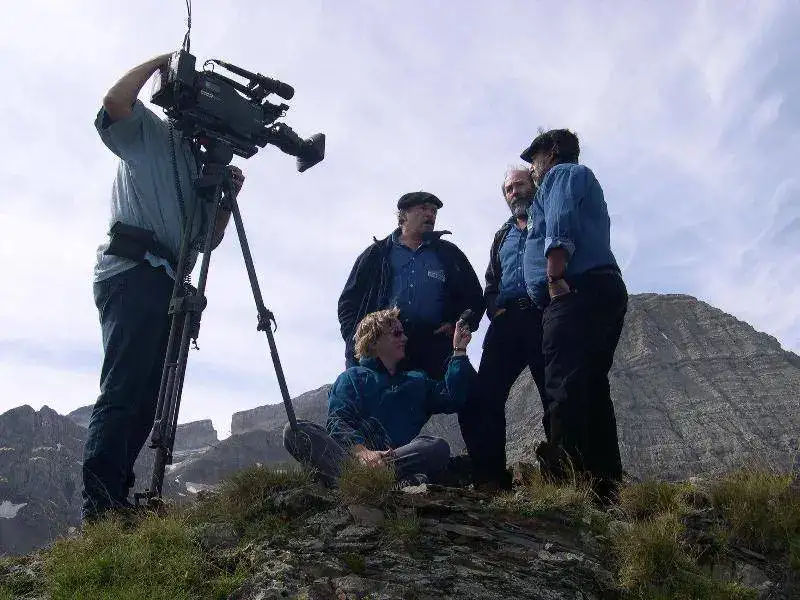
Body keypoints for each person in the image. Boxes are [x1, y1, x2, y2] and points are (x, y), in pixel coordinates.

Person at [82, 53, 245, 521]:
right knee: (125, 387)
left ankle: (116, 496)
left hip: (170, 279)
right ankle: (99, 505)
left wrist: (224, 203)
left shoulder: (198, 168)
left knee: (151, 394)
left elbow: (206, 241)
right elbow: (115, 102)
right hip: (132, 272)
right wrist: (160, 62)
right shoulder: (152, 133)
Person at [520, 128, 627, 503]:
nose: (532, 168)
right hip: (598, 289)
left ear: (550, 151)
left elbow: (561, 221)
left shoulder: (562, 175)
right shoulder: (582, 179)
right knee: (591, 387)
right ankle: (605, 486)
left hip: (573, 290)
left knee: (564, 385)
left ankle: (565, 486)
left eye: (533, 158)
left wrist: (555, 275)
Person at [283, 307, 476, 486]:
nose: (405, 338)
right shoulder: (351, 378)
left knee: (436, 446)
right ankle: (376, 481)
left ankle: (363, 482)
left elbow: (453, 398)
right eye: (397, 333)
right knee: (295, 430)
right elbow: (338, 421)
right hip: (351, 459)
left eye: (404, 333)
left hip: (393, 459)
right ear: (374, 341)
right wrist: (363, 454)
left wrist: (459, 351)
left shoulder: (417, 381)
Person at [458, 167, 550, 490]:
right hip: (507, 321)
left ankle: (563, 474)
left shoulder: (548, 218)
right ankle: (492, 478)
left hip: (544, 317)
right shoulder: (502, 235)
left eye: (520, 185)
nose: (515, 192)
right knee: (487, 396)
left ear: (533, 185)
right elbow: (491, 280)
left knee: (554, 395)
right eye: (509, 189)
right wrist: (495, 308)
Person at [337, 192, 484, 379]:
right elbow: (348, 302)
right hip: (385, 347)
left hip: (435, 345)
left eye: (433, 211)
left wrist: (459, 324)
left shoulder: (449, 254)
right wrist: (356, 338)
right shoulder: (377, 254)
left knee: (465, 398)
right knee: (384, 404)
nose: (430, 214)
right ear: (403, 215)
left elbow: (474, 298)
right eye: (423, 209)